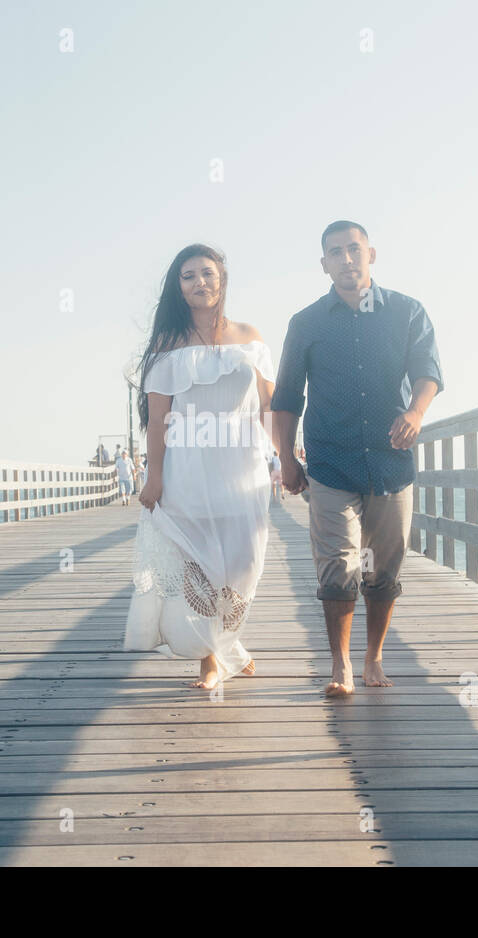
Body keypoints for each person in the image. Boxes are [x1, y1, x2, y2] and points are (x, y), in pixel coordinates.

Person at [271, 221, 443, 697]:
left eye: (354, 250)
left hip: (392, 461)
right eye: (335, 253)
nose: (346, 259)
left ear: (372, 254)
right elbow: (285, 398)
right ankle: (340, 664)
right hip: (329, 462)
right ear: (323, 263)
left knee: (383, 569)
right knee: (338, 564)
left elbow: (429, 371)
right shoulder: (306, 323)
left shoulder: (407, 312)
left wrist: (416, 411)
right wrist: (286, 459)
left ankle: (374, 657)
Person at [125, 243, 275, 690]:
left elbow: (270, 408)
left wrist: (285, 457)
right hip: (188, 468)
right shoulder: (169, 344)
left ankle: (230, 643)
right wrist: (154, 477)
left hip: (242, 467)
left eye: (206, 273)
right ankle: (210, 657)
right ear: (179, 287)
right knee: (202, 566)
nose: (199, 283)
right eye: (188, 276)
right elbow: (157, 419)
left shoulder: (250, 336)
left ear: (222, 279)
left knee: (243, 562)